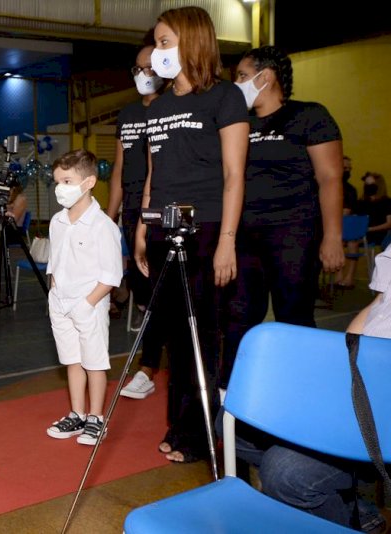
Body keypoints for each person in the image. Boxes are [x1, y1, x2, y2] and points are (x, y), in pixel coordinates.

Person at [133, 6, 249, 463]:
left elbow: (234, 175)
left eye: (165, 43)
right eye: (157, 43)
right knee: (176, 335)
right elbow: (153, 173)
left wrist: (227, 241)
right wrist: (143, 228)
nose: (158, 53)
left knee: (203, 335)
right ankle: (179, 427)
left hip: (207, 231)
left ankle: (202, 435)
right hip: (163, 228)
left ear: (192, 43)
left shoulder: (225, 98)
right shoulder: (158, 105)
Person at [235, 244, 391, 533]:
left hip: (384, 398)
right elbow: (380, 305)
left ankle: (326, 505)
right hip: (362, 379)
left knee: (286, 474)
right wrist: (338, 367)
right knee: (233, 424)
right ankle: (349, 508)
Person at [220, 45, 345, 388]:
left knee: (294, 315)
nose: (238, 83)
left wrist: (332, 237)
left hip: (294, 233)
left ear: (267, 77)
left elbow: (330, 178)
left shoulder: (309, 115)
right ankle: (234, 393)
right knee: (238, 316)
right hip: (245, 236)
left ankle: (301, 391)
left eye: (243, 76)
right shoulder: (238, 122)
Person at [45, 149, 123, 446]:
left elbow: (111, 276)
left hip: (88, 305)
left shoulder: (103, 226)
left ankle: (95, 417)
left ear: (89, 182)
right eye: (57, 181)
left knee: (94, 362)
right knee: (72, 360)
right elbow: (55, 261)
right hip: (60, 301)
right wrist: (54, 293)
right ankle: (77, 414)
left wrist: (87, 303)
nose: (59, 188)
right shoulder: (56, 221)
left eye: (67, 180)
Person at [105, 37, 167, 401]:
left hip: (156, 207)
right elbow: (119, 168)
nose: (143, 75)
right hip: (130, 206)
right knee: (141, 286)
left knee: (159, 287)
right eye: (138, 69)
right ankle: (152, 356)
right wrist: (108, 218)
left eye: (150, 68)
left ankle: (149, 365)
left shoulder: (170, 110)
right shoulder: (128, 114)